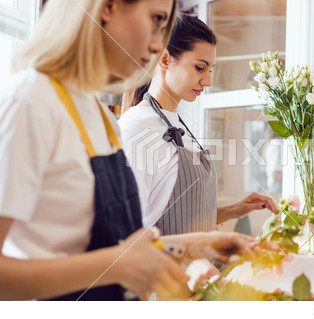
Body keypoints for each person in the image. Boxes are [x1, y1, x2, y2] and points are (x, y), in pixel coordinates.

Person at [0, 0, 265, 301]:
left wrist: (204, 243)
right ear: (107, 7)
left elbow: (123, 246)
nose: (159, 43)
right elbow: (118, 260)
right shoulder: (28, 102)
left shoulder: (98, 116)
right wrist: (116, 266)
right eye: (156, 19)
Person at [119, 14, 278, 236]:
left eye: (210, 69)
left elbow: (184, 218)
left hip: (199, 269)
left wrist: (234, 210)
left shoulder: (177, 123)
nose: (208, 81)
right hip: (164, 270)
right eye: (199, 68)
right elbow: (128, 232)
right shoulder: (135, 127)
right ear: (164, 60)